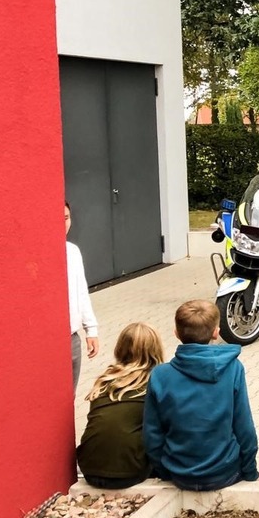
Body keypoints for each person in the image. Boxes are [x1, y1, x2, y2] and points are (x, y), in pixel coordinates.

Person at [143, 300, 259, 491]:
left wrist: (165, 472)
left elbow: (152, 434)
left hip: (179, 473)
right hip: (225, 472)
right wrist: (250, 472)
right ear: (216, 332)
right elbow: (244, 427)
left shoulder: (160, 375)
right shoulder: (233, 368)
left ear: (176, 333)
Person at [76, 322, 165, 489]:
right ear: (156, 350)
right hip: (129, 472)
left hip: (88, 468)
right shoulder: (155, 382)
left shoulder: (104, 380)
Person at [65, 203, 99, 394]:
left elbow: (81, 292)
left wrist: (91, 329)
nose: (64, 224)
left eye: (66, 218)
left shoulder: (72, 251)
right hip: (51, 342)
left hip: (72, 338)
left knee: (70, 397)